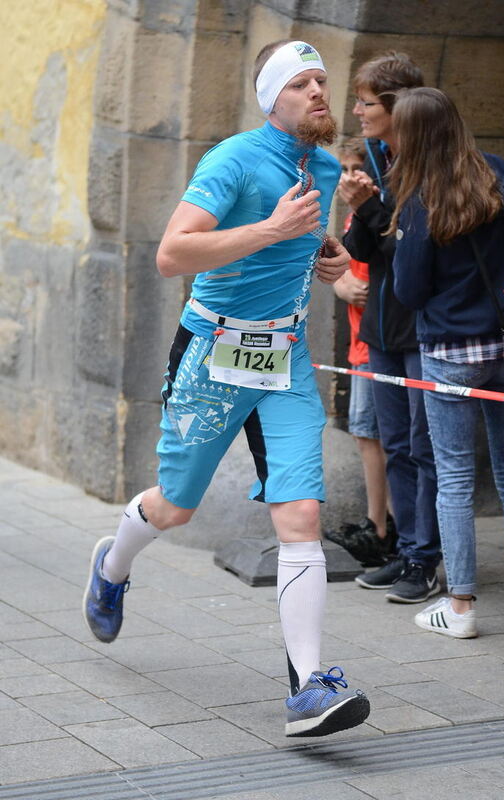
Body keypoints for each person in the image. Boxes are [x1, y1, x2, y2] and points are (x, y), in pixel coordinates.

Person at [82, 40, 370, 738]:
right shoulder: (233, 160)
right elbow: (171, 253)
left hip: (286, 362)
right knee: (175, 506)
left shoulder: (325, 165)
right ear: (272, 97)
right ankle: (111, 563)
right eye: (302, 83)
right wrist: (270, 227)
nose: (318, 92)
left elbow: (303, 244)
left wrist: (327, 254)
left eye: (322, 80)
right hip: (212, 354)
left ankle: (307, 688)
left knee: (300, 516)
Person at [389, 86, 504, 638]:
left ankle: (460, 607)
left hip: (450, 354)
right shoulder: (501, 175)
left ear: (411, 137)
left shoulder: (420, 200)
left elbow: (409, 290)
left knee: (455, 480)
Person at [340, 52, 442, 603]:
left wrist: (373, 212)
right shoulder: (376, 159)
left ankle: (427, 559)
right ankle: (408, 553)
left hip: (421, 328)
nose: (356, 111)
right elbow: (367, 249)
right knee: (396, 444)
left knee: (424, 449)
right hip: (379, 329)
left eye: (366, 102)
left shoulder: (426, 165)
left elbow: (412, 254)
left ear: (398, 107)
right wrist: (358, 209)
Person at [324, 138, 396, 566]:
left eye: (358, 167)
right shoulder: (354, 217)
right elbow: (342, 274)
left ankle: (384, 527)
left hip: (375, 344)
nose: (349, 177)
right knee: (367, 435)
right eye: (344, 169)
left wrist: (353, 288)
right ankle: (378, 522)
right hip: (359, 344)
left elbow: (373, 280)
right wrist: (339, 284)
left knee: (378, 438)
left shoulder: (377, 215)